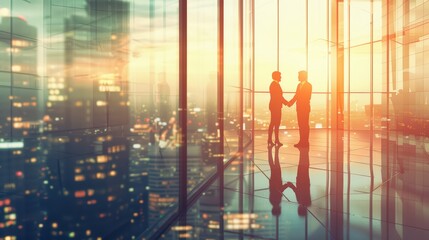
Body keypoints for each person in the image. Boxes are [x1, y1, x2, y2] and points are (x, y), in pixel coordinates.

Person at [287, 70, 312, 148]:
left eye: (299, 75)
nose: (298, 77)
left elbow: (308, 97)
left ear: (303, 76)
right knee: (301, 125)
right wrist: (290, 103)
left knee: (305, 125)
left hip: (305, 108)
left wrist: (296, 100)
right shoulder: (298, 85)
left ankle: (306, 142)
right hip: (299, 108)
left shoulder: (309, 85)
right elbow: (296, 95)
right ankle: (301, 141)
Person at [285, 146, 311, 216]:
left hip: (305, 182)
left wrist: (291, 186)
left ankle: (304, 151)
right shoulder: (301, 201)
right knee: (302, 166)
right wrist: (291, 185)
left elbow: (297, 191)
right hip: (301, 181)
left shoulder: (307, 202)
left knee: (305, 166)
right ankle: (303, 150)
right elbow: (297, 191)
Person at [268, 144, 290, 216]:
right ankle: (270, 150)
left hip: (277, 181)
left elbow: (279, 190)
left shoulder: (277, 202)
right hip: (273, 181)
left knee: (276, 164)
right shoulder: (272, 202)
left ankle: (275, 150)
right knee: (272, 165)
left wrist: (287, 185)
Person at [268, 71, 288, 146]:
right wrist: (287, 103)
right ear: (276, 76)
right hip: (275, 106)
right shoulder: (274, 85)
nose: (281, 77)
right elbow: (278, 97)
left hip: (275, 106)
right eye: (280, 76)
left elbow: (278, 96)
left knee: (275, 123)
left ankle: (274, 140)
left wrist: (285, 102)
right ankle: (273, 140)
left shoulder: (275, 84)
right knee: (274, 123)